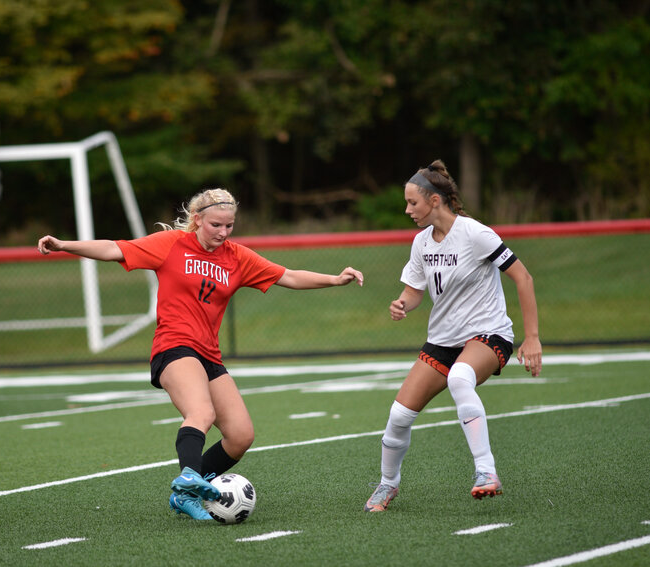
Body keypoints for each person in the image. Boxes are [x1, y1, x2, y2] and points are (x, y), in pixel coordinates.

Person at [38, 188, 363, 521]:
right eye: (216, 225)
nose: (223, 233)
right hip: (173, 346)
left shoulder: (237, 256)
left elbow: (289, 276)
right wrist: (65, 245)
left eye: (229, 226)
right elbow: (112, 248)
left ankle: (186, 493)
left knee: (240, 436)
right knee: (201, 412)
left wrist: (335, 280)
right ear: (197, 220)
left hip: (209, 354)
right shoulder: (170, 245)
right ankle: (190, 477)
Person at [363, 160, 542, 512]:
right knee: (399, 416)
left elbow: (524, 278)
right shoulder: (421, 243)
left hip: (488, 334)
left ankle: (486, 472)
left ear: (434, 201)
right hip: (442, 341)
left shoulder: (476, 233)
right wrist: (403, 303)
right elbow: (414, 291)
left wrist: (532, 336)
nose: (407, 209)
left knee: (461, 378)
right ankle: (387, 485)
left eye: (413, 202)